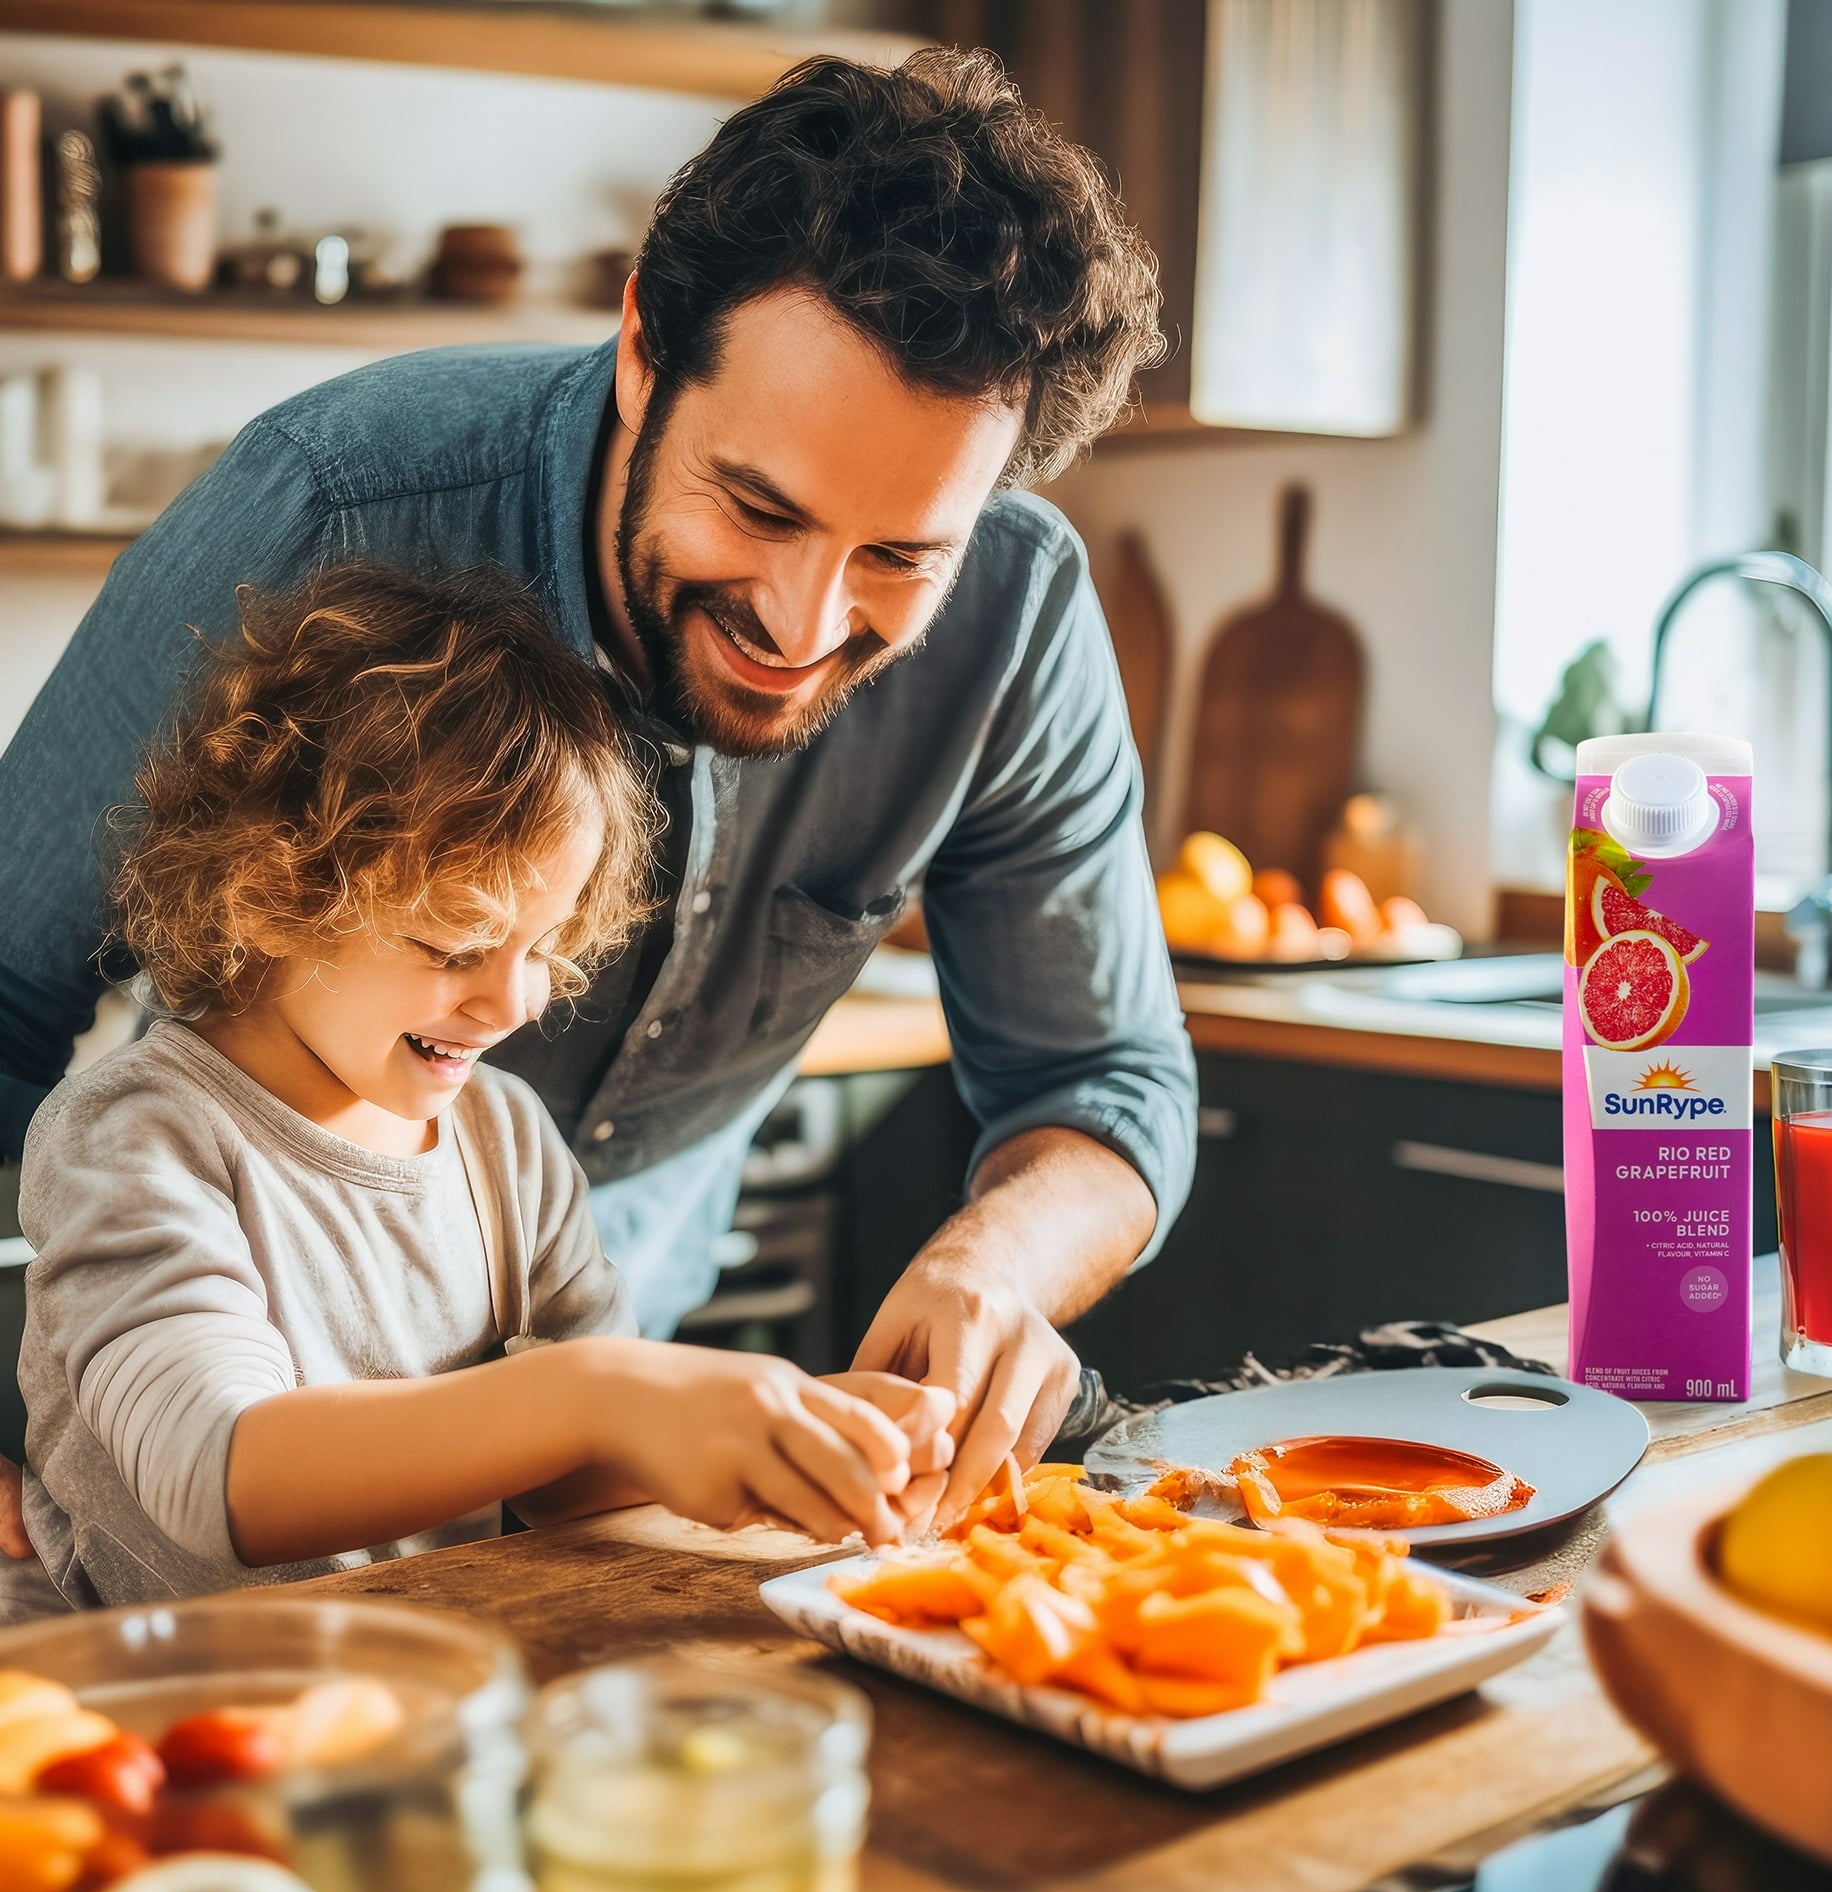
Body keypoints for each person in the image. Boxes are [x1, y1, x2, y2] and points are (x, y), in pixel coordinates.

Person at [0, 49, 1196, 1558]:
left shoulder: (1022, 613)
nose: (805, 622)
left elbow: (1111, 1085)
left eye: (903, 555)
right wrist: (608, 1403)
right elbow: (0, 983)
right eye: (758, 508)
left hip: (568, 1496)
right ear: (643, 343)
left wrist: (990, 1274)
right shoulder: (330, 510)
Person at [4, 566, 950, 1619]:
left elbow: (568, 1476)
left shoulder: (501, 1136)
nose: (514, 999)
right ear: (273, 892)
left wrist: (778, 1433)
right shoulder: (136, 1137)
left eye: (543, 944)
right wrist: (599, 1395)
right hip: (121, 1688)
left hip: (391, 1680)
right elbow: (218, 1472)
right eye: (455, 944)